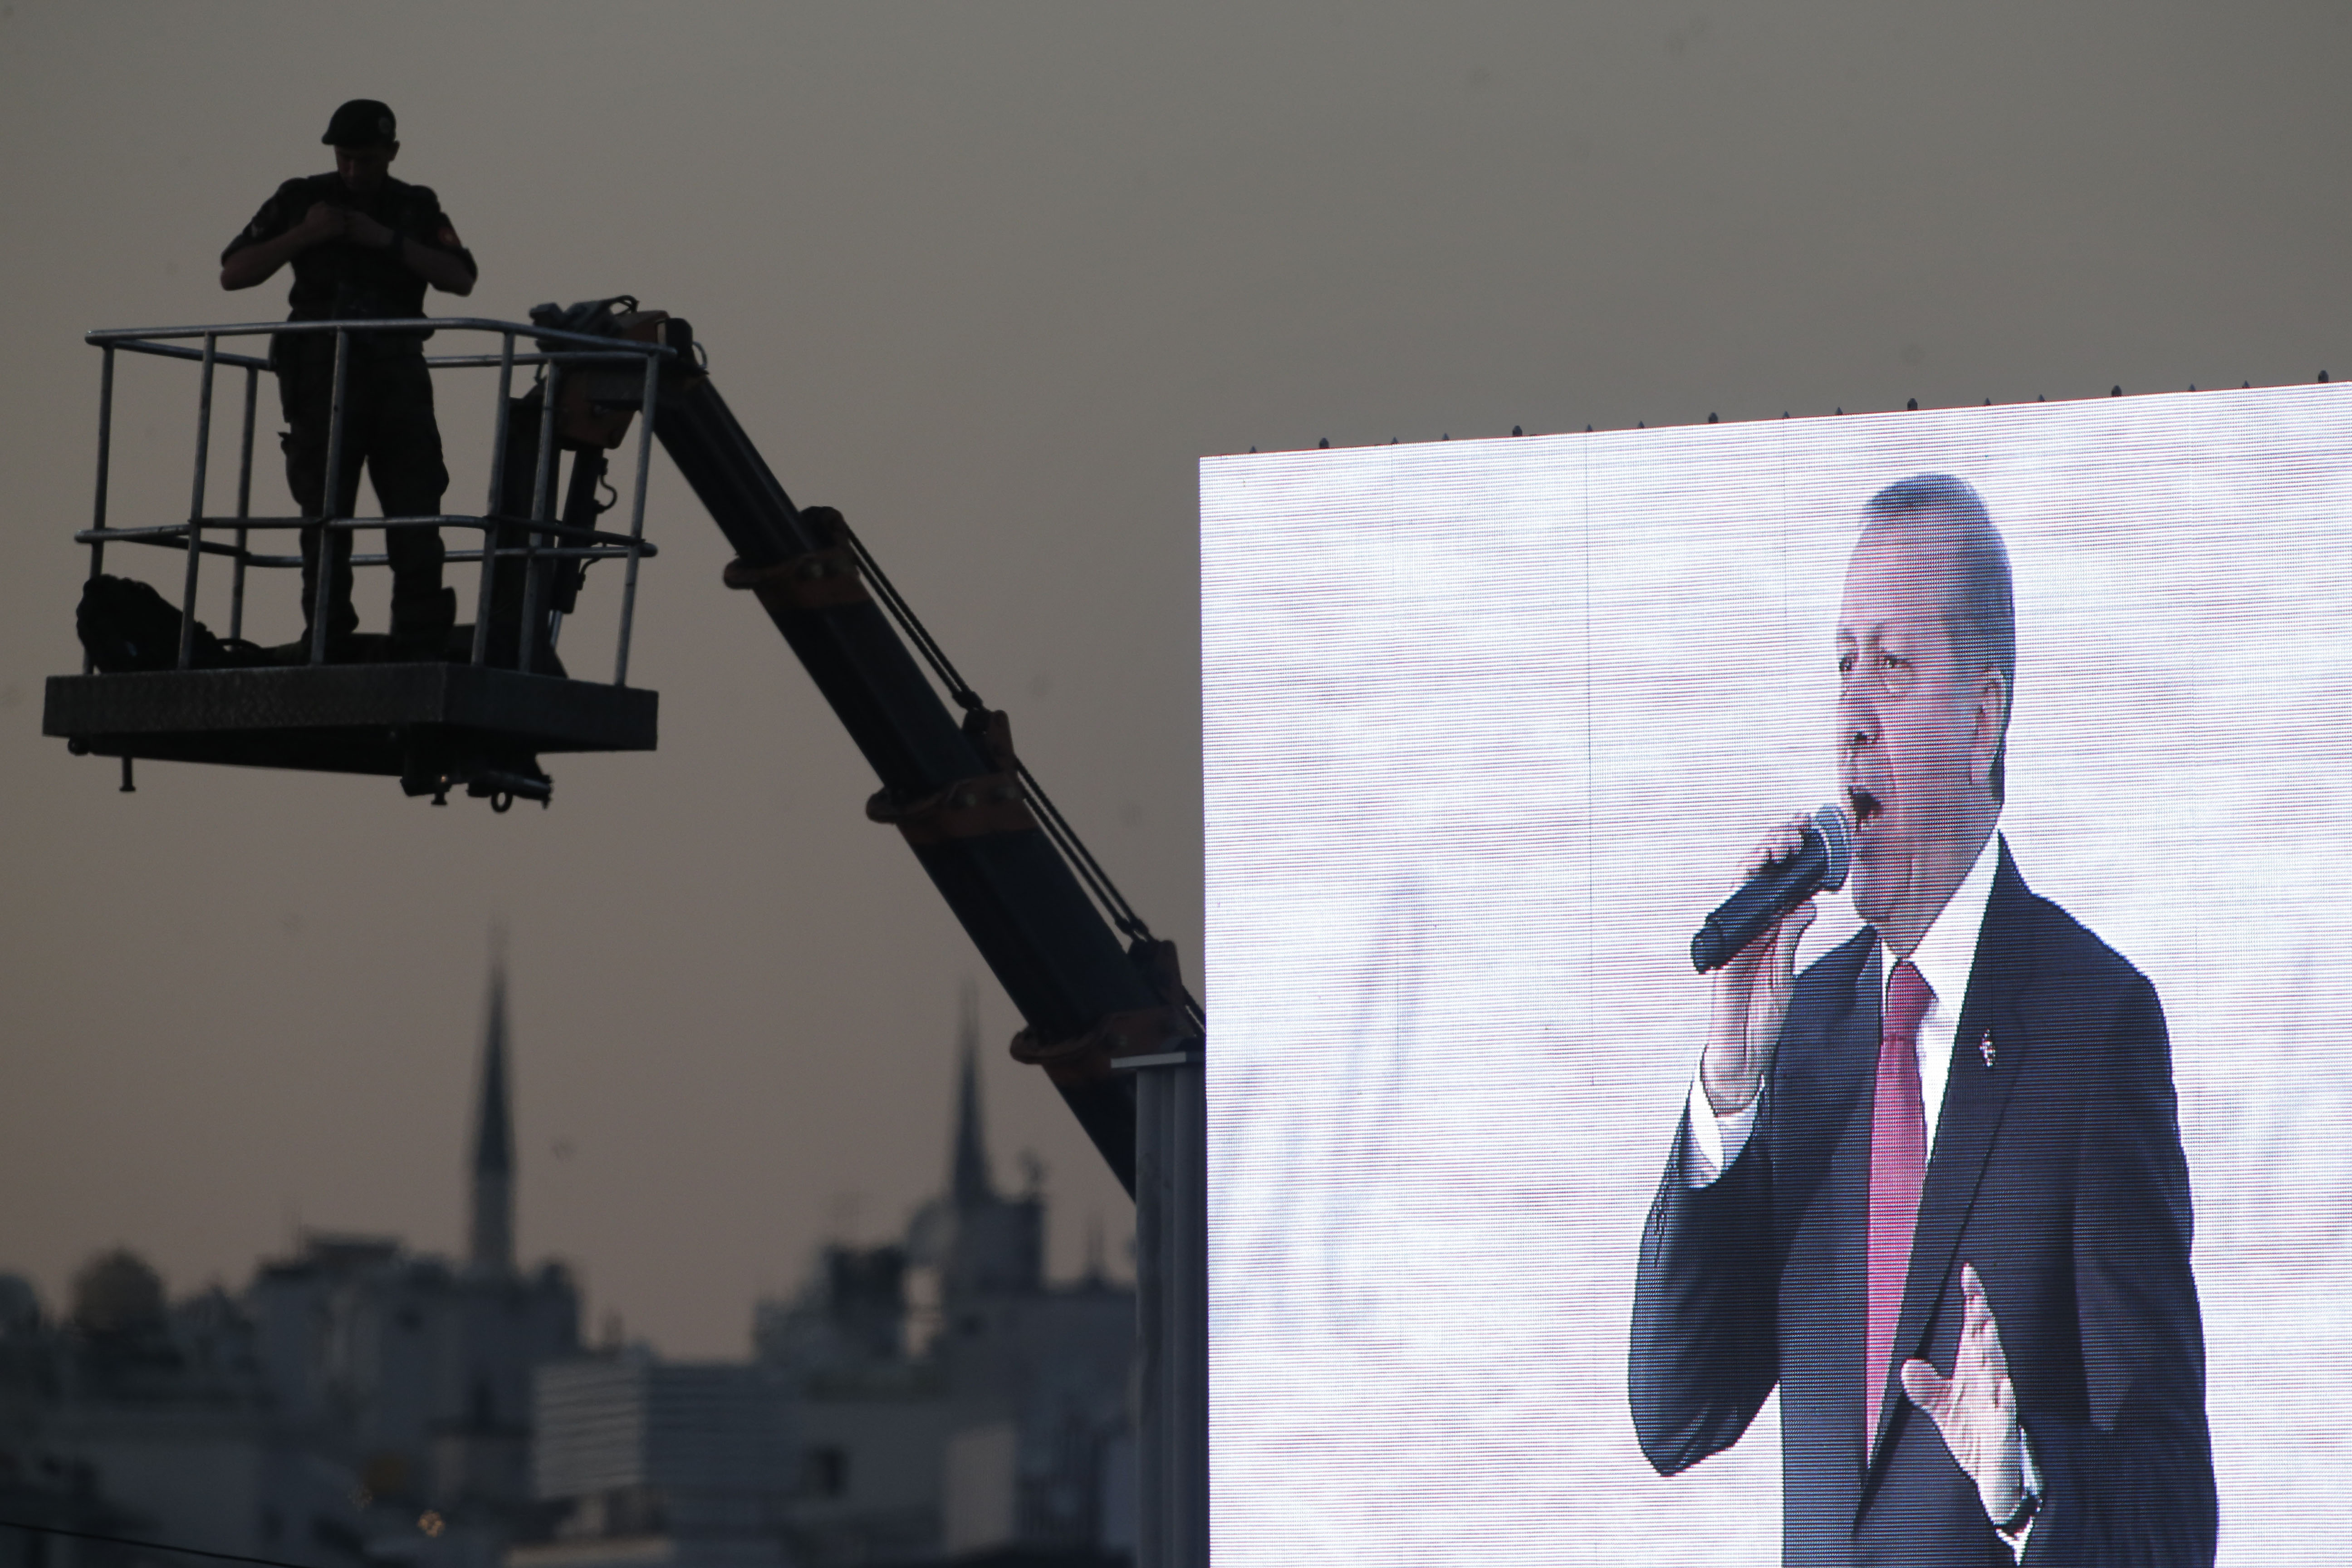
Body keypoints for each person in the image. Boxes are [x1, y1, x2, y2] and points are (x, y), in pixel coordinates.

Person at [1628, 475, 2215, 1566]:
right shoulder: (1801, 1032)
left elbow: (2174, 1514)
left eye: (1892, 666)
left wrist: (2018, 1481)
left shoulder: (2093, 1029)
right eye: (1842, 661)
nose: (1851, 711)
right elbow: (1675, 1414)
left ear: (1981, 711)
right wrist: (1727, 1086)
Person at [220, 98, 476, 660]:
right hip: (319, 373)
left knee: (414, 510)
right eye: (345, 159)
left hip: (396, 374)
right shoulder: (300, 198)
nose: (355, 171)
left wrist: (386, 240)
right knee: (325, 512)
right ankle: (329, 635)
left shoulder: (414, 206)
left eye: (366, 159)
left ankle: (419, 637)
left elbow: (461, 278)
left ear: (392, 154)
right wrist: (305, 236)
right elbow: (234, 273)